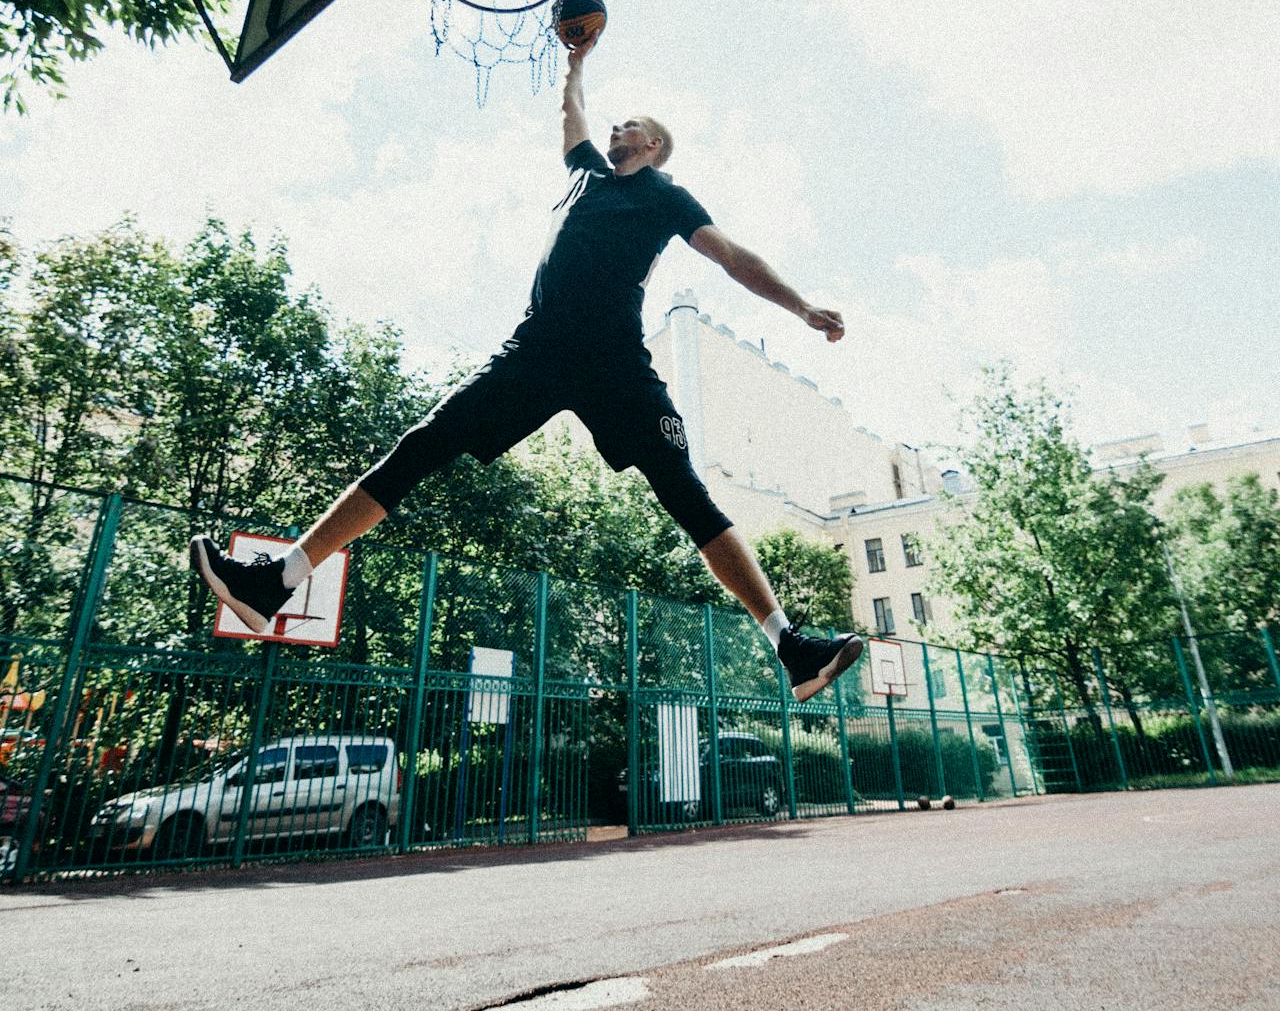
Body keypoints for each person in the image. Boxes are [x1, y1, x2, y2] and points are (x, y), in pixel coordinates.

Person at [190, 34, 864, 703]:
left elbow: (731, 256)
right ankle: (276, 581)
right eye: (614, 123)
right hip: (536, 350)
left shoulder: (666, 196)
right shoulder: (585, 174)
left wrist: (801, 306)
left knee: (685, 492)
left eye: (630, 124)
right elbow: (571, 113)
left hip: (613, 361)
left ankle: (790, 645)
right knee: (425, 442)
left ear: (653, 144)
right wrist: (576, 64)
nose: (615, 127)